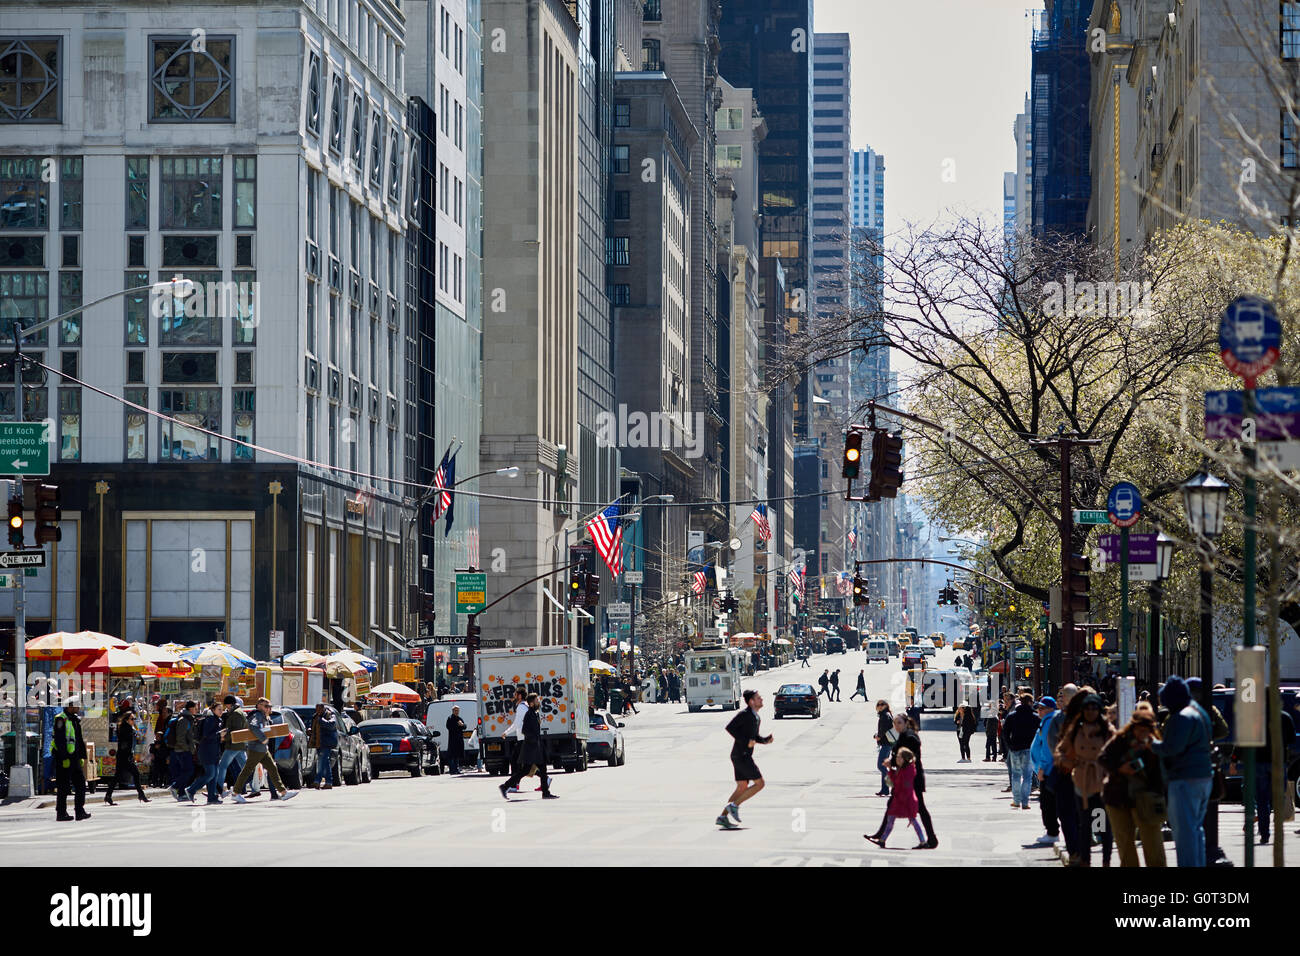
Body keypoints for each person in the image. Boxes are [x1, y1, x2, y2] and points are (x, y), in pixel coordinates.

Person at [1149, 676, 1213, 867]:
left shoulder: (1181, 717)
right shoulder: (1199, 712)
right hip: (1203, 778)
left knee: (1184, 834)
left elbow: (1171, 748)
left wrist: (1151, 744)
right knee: (1196, 830)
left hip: (1185, 779)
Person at [1099, 706, 1167, 867]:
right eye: (1139, 729)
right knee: (1125, 842)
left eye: (1146, 730)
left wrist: (1154, 752)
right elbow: (1103, 757)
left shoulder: (1156, 744)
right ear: (1133, 726)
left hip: (1147, 798)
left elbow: (1165, 768)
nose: (1142, 733)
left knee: (1153, 842)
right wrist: (1119, 768)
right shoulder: (1120, 740)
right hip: (1118, 796)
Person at [1056, 692, 1113, 867]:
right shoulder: (1075, 730)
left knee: (1103, 824)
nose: (1090, 711)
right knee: (1084, 823)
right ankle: (1085, 861)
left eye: (1094, 708)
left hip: (1102, 782)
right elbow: (1060, 750)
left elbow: (1120, 752)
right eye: (1087, 708)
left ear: (1099, 710)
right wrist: (1066, 761)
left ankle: (1105, 861)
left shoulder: (1107, 730)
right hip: (1081, 781)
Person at [867, 714, 937, 848]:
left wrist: (892, 761)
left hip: (911, 778)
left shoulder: (910, 736)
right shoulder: (904, 736)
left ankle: (931, 839)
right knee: (894, 803)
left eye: (899, 723)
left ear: (905, 723)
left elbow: (908, 756)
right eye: (895, 723)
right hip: (905, 776)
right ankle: (881, 835)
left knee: (920, 808)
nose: (896, 725)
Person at [716, 689, 772, 828]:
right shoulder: (745, 715)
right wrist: (745, 741)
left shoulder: (755, 717)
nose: (761, 700)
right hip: (741, 756)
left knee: (742, 787)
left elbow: (753, 737)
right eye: (758, 698)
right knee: (760, 784)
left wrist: (765, 740)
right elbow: (730, 728)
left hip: (741, 755)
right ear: (751, 701)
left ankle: (723, 817)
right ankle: (734, 806)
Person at [1035, 685, 1080, 859]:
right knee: (1065, 811)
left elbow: (1051, 747)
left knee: (1071, 811)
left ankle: (1078, 849)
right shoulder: (1057, 719)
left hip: (1074, 771)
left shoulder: (1077, 717)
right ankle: (1075, 850)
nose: (1062, 699)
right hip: (1064, 770)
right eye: (1060, 696)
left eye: (1065, 696)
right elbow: (1052, 746)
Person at [231, 698, 299, 803]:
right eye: (266, 706)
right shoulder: (257, 715)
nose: (268, 708)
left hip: (262, 749)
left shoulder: (263, 716)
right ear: (259, 706)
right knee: (247, 770)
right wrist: (263, 739)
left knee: (272, 769)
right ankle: (235, 793)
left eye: (270, 706)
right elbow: (253, 726)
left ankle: (283, 792)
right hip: (256, 749)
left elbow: (263, 729)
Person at [865, 747, 927, 849]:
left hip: (906, 800)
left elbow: (905, 785)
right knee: (891, 819)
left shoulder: (909, 770)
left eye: (899, 757)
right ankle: (882, 840)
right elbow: (895, 781)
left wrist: (902, 798)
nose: (897, 759)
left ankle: (923, 841)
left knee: (912, 820)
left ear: (905, 759)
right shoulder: (903, 769)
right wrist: (890, 769)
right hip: (900, 799)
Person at [499, 693, 556, 800]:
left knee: (541, 769)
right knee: (526, 770)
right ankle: (505, 786)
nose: (538, 702)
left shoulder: (535, 713)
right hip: (531, 746)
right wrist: (533, 740)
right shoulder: (529, 714)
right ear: (531, 703)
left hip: (537, 745)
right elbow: (524, 730)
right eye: (536, 700)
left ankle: (545, 792)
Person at [1028, 697, 1060, 847]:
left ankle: (1052, 832)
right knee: (1048, 802)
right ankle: (1051, 831)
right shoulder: (1047, 720)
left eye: (1041, 708)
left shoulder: (1049, 722)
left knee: (1047, 803)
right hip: (1046, 768)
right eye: (1038, 708)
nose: (1038, 711)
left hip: (1048, 769)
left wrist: (1042, 768)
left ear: (1050, 708)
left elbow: (1048, 747)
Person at [53, 696, 90, 822]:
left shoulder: (75, 720)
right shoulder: (61, 719)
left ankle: (79, 811)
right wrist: (64, 757)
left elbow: (78, 739)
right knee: (63, 787)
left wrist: (82, 756)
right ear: (70, 706)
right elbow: (59, 740)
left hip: (74, 758)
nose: (78, 708)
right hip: (64, 758)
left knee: (80, 785)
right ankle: (61, 813)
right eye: (77, 706)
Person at [104, 708, 150, 805]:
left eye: (134, 719)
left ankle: (108, 796)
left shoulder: (127, 728)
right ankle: (141, 795)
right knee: (135, 774)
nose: (133, 721)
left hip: (123, 756)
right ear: (127, 720)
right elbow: (125, 744)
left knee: (118, 776)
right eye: (132, 719)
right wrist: (129, 755)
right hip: (125, 756)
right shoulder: (126, 729)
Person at [1003, 693, 1040, 810]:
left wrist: (1010, 745)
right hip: (1029, 749)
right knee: (1027, 776)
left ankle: (1016, 800)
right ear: (1030, 702)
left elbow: (1005, 733)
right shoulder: (1035, 717)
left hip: (1015, 748)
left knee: (1016, 775)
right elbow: (1039, 734)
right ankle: (1025, 802)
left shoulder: (1012, 716)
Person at [186, 699, 225, 804]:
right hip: (206, 751)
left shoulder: (218, 720)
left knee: (214, 775)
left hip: (214, 751)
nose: (221, 711)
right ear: (213, 710)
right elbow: (207, 735)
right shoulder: (210, 720)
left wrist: (220, 737)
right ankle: (191, 790)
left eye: (222, 709)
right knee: (210, 774)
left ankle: (212, 797)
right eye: (219, 709)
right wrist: (219, 735)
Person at [165, 700, 199, 798]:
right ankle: (175, 786)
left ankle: (181, 793)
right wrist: (187, 748)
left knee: (186, 771)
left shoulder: (188, 718)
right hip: (182, 750)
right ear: (190, 708)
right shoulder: (184, 720)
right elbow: (181, 737)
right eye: (195, 708)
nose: (196, 710)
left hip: (184, 749)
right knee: (189, 771)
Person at [216, 695, 248, 792]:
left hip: (233, 745)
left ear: (230, 704)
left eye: (227, 705)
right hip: (239, 744)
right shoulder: (237, 712)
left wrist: (224, 737)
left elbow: (235, 731)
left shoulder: (236, 714)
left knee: (222, 766)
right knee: (246, 767)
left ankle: (218, 790)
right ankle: (254, 788)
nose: (226, 707)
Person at [309, 702, 339, 789]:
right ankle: (329, 782)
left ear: (323, 708)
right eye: (316, 709)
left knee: (322, 762)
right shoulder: (315, 716)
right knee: (325, 763)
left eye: (319, 709)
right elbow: (313, 726)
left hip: (326, 742)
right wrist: (310, 730)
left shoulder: (330, 715)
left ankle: (317, 781)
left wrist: (321, 720)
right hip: (318, 742)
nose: (317, 711)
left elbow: (331, 725)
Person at [873, 700, 895, 796]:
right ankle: (885, 789)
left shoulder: (885, 716)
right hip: (887, 743)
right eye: (878, 704)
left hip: (886, 744)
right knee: (883, 766)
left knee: (881, 766)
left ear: (886, 705)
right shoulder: (886, 715)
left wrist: (878, 736)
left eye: (882, 704)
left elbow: (884, 730)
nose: (880, 706)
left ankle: (890, 785)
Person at [149, 698, 171, 788]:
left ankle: (162, 781)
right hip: (161, 745)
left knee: (162, 766)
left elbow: (162, 731)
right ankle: (158, 781)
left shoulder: (166, 720)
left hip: (163, 746)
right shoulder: (161, 717)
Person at [445, 705, 467, 774]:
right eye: (455, 710)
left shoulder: (459, 718)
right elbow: (449, 727)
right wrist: (458, 726)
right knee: (452, 755)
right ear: (453, 711)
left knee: (457, 755)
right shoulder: (450, 718)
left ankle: (456, 769)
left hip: (459, 739)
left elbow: (465, 726)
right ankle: (452, 769)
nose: (457, 712)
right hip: (452, 739)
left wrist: (462, 725)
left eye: (458, 710)